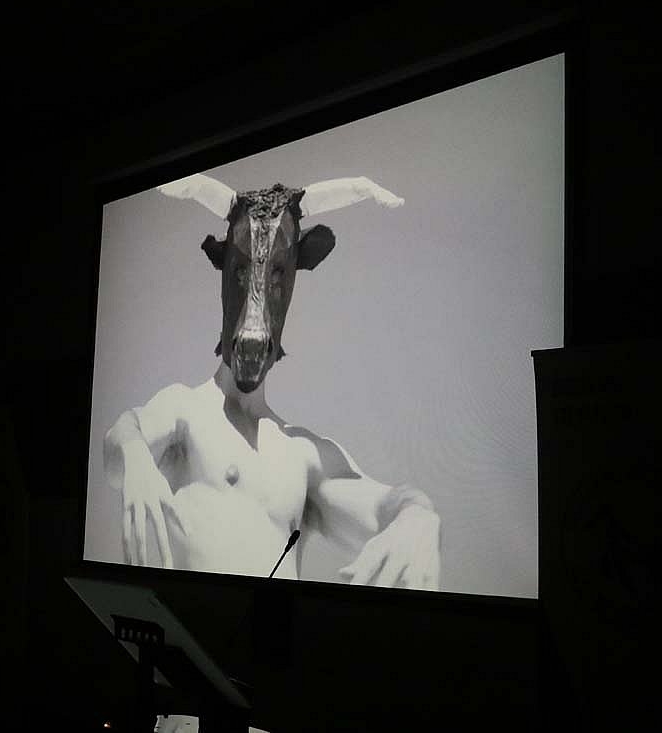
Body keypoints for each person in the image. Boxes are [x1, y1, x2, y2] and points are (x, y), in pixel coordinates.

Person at [102, 175, 441, 589]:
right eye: (240, 272)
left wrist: (419, 516)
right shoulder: (185, 412)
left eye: (278, 276)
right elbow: (123, 437)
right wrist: (136, 458)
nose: (253, 332)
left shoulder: (302, 455)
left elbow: (385, 506)